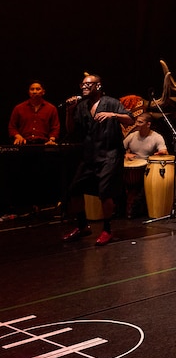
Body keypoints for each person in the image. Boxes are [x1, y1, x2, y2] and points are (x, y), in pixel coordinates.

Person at [63, 74, 134, 246]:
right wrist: (69, 111)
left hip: (110, 154)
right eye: (83, 85)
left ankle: (107, 229)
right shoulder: (81, 106)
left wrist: (113, 115)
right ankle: (82, 226)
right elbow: (71, 130)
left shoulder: (111, 102)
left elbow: (131, 119)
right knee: (75, 189)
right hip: (90, 155)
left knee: (105, 192)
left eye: (89, 84)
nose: (84, 87)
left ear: (99, 86)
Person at [122, 112, 169, 218]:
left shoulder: (157, 137)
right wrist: (126, 154)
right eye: (137, 121)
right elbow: (120, 149)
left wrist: (160, 153)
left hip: (147, 168)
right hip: (132, 167)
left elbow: (164, 151)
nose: (137, 124)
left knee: (139, 191)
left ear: (148, 124)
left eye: (140, 122)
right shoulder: (132, 136)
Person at [8, 80, 60, 145]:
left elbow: (55, 127)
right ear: (29, 92)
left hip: (44, 143)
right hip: (24, 143)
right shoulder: (18, 108)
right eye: (32, 89)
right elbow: (12, 127)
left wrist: (51, 140)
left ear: (43, 92)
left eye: (38, 89)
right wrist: (18, 136)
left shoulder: (51, 108)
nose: (35, 92)